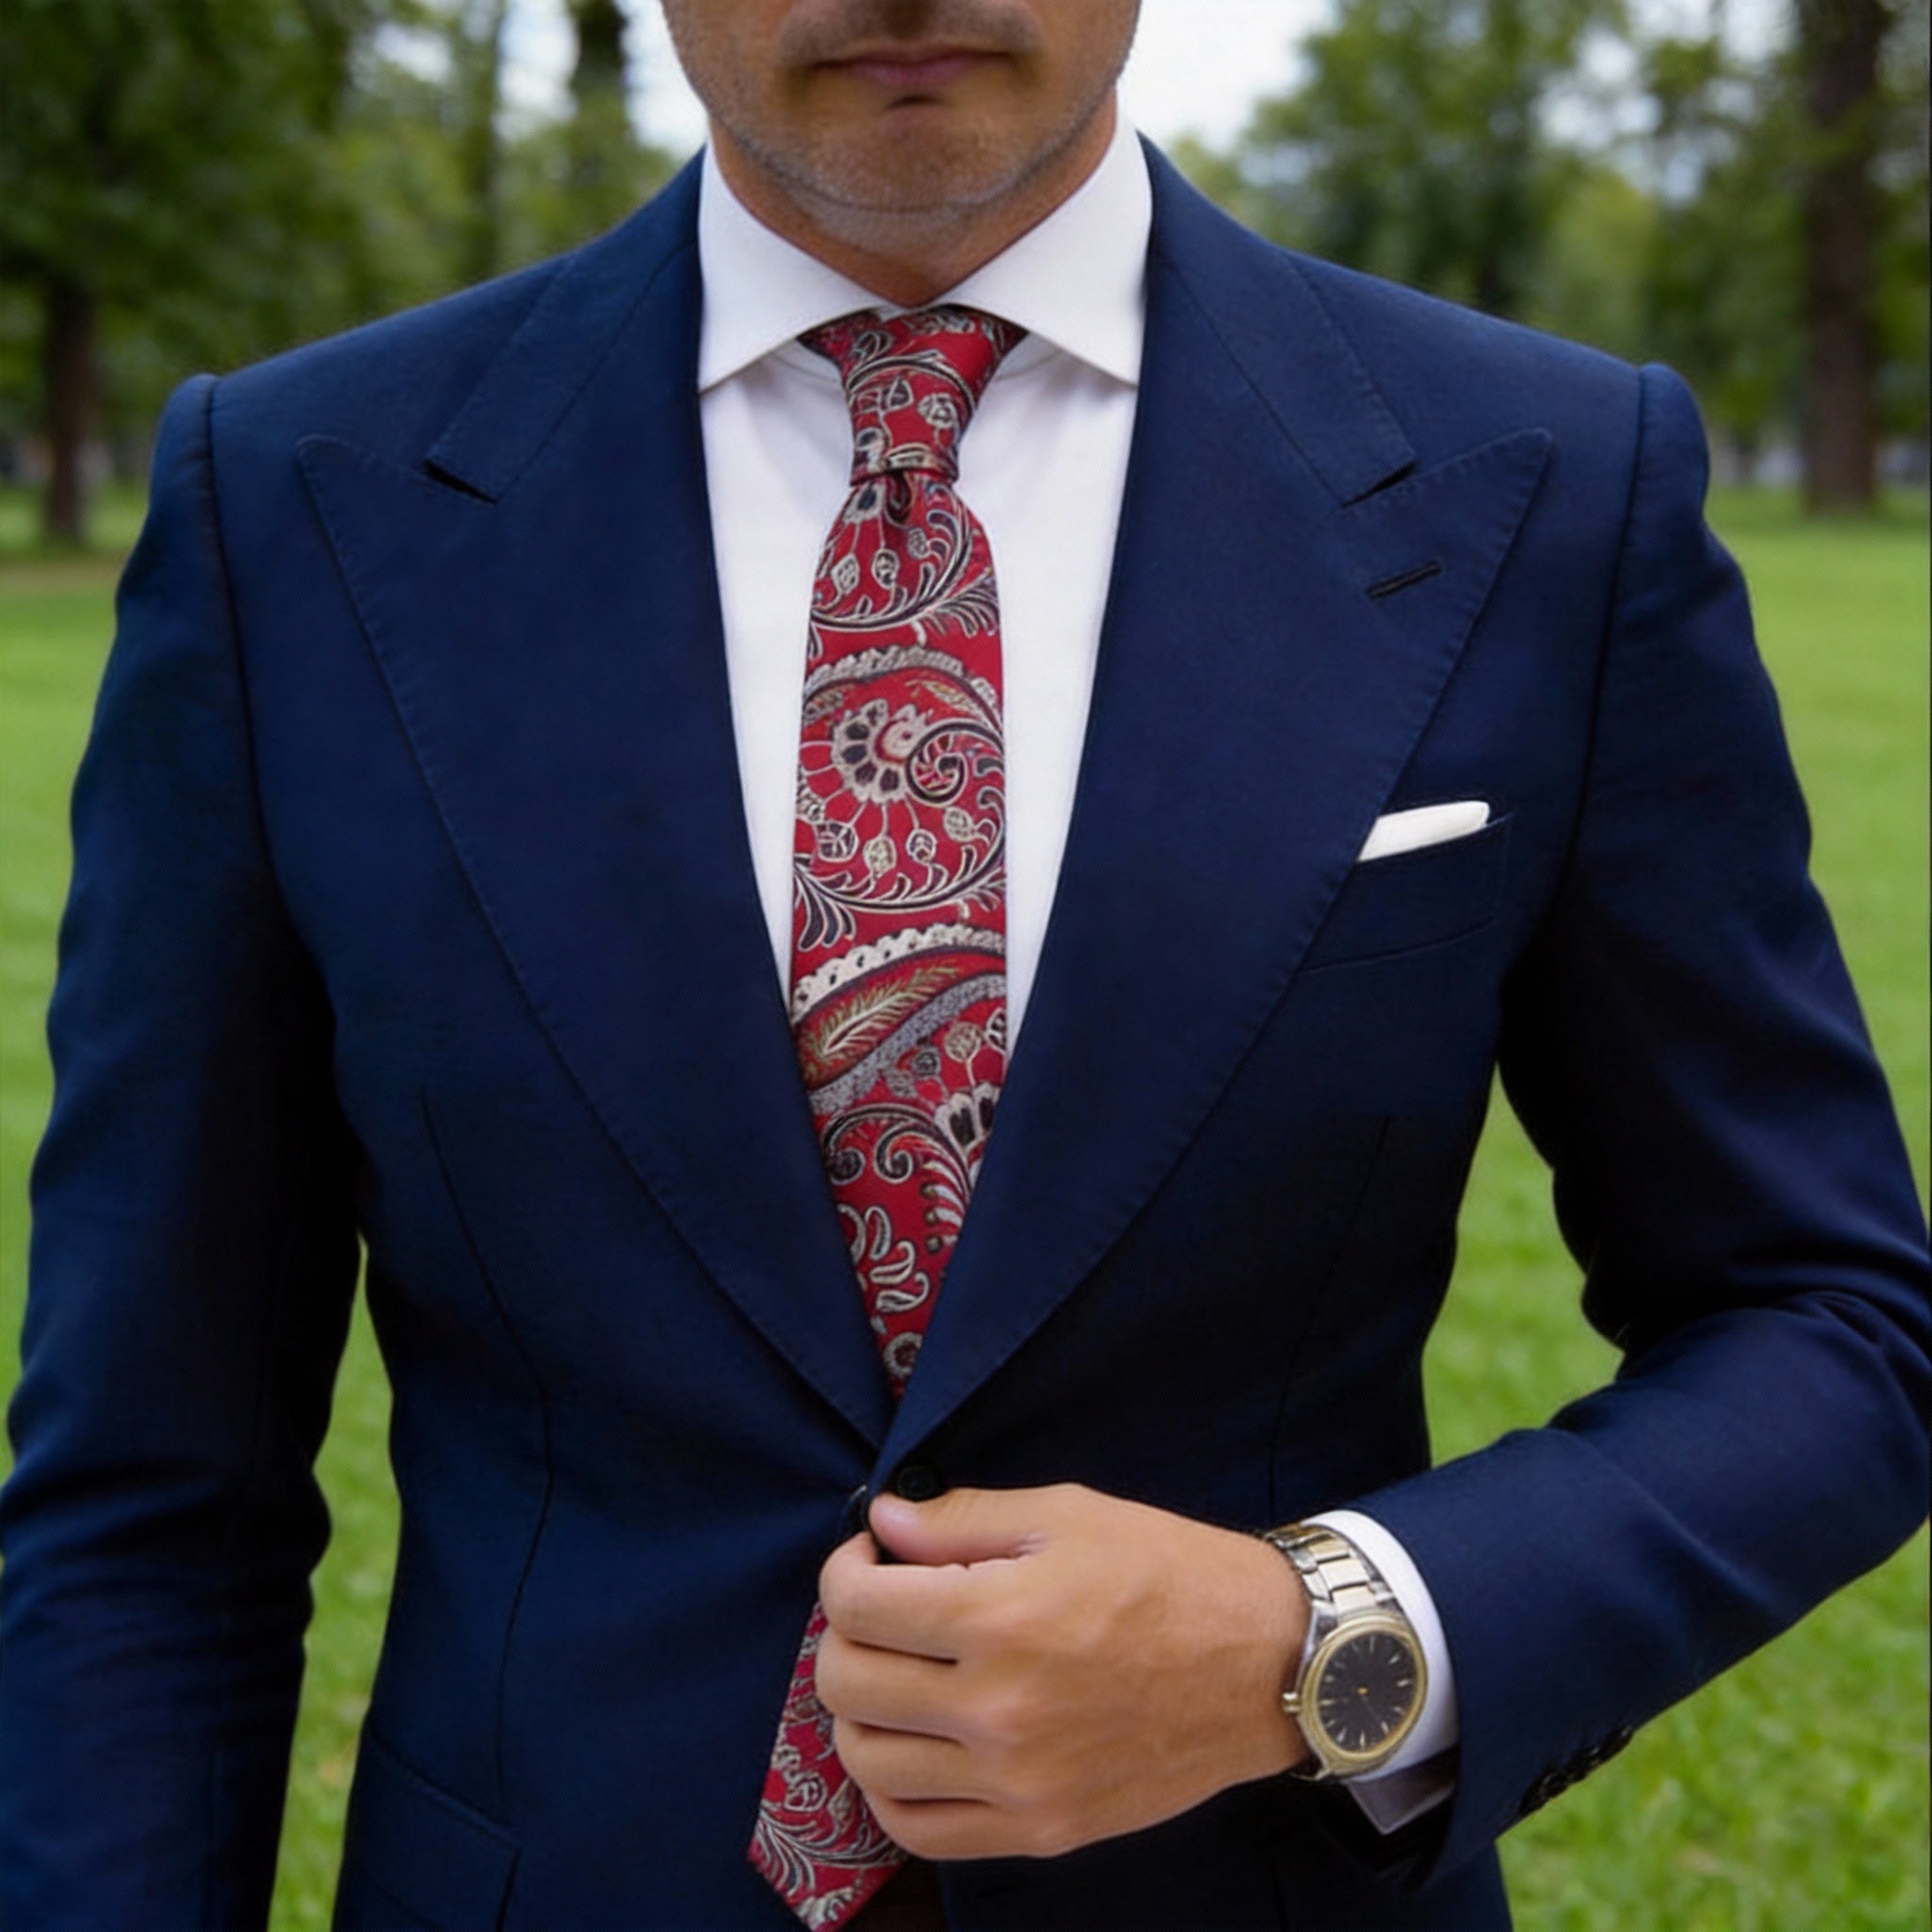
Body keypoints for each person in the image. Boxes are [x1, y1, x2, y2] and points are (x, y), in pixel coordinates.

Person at [0, 1, 1925, 1926]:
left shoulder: (1550, 486)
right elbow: (150, 1497)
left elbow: (1832, 1324)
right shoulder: (293, 503)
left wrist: (1311, 1633)